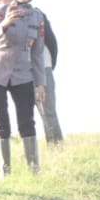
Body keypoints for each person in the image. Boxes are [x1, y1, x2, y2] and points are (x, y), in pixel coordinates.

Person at [0, 0, 46, 176]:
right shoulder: (1, 11)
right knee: (1, 122)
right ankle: (5, 172)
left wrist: (40, 83)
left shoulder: (37, 16)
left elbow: (37, 53)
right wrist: (6, 23)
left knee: (27, 121)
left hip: (23, 74)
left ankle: (33, 170)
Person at [38, 11, 63, 144]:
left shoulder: (37, 14)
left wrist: (50, 64)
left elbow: (51, 40)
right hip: (21, 71)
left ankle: (56, 146)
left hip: (43, 66)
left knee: (48, 109)